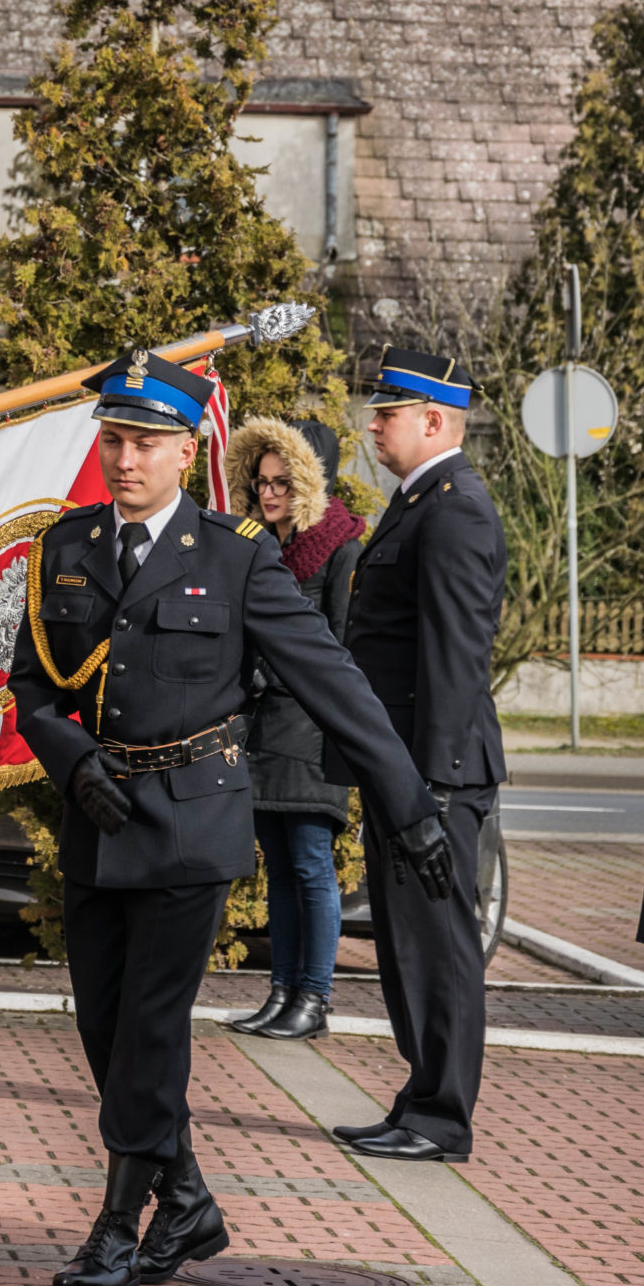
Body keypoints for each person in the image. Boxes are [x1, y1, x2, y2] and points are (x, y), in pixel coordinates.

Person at [8, 349, 448, 1286]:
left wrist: (407, 803)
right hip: (98, 820)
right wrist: (73, 762)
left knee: (149, 1032)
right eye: (114, 439)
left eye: (146, 442)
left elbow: (333, 681)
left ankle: (118, 1226)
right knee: (102, 1029)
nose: (126, 459)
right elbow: (32, 686)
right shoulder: (65, 548)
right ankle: (189, 1201)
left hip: (192, 822)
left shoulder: (235, 554)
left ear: (186, 451)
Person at [325, 348, 505, 1163]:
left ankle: (441, 1118)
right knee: (407, 948)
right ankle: (420, 1097)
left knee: (438, 948)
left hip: (434, 773)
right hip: (403, 768)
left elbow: (456, 660)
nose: (374, 425)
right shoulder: (419, 502)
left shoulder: (454, 509)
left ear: (434, 420)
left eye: (388, 413)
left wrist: (431, 787)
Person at [223, 417, 366, 1041]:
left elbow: (341, 650)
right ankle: (282, 992)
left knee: (311, 865)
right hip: (262, 729)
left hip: (311, 730)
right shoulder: (259, 547)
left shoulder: (341, 546)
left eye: (282, 482)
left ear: (310, 482)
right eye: (261, 482)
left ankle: (315, 998)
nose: (269, 493)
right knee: (278, 869)